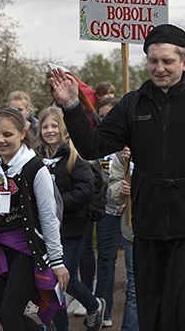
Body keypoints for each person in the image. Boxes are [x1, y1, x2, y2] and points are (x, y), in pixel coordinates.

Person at [50, 23, 185, 330]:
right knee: (156, 314)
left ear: (184, 62)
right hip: (151, 225)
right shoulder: (132, 104)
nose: (160, 68)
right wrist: (73, 106)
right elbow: (91, 146)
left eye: (167, 61)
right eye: (153, 61)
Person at [0, 107, 68, 330]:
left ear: (22, 134)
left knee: (11, 313)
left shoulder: (35, 168)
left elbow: (48, 216)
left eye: (7, 134)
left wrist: (57, 261)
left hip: (26, 250)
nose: (0, 140)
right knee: (7, 319)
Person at [35, 107, 105, 331]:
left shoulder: (76, 158)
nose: (50, 130)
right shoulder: (35, 159)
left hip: (71, 228)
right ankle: (58, 326)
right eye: (45, 126)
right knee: (51, 282)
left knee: (66, 280)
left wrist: (53, 204)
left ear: (64, 131)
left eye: (54, 126)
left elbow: (85, 192)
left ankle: (94, 305)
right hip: (44, 230)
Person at [78, 97, 122, 327]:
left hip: (112, 208)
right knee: (85, 253)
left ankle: (104, 309)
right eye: (102, 117)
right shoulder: (94, 142)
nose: (105, 121)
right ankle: (88, 303)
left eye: (110, 116)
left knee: (106, 257)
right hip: (90, 206)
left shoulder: (129, 142)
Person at [107, 146, 138, 331]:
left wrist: (138, 180)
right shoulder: (124, 152)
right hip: (133, 229)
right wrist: (121, 188)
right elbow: (113, 188)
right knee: (134, 285)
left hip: (165, 229)